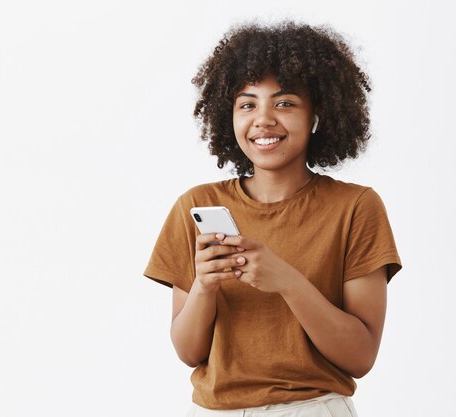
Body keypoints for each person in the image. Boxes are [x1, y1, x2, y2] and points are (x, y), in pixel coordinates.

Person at [143, 20, 402, 417]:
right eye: (247, 104)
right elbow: (188, 351)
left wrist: (288, 282)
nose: (263, 119)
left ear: (318, 114)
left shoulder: (356, 207)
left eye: (284, 103)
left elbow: (361, 356)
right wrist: (205, 288)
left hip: (313, 408)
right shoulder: (196, 205)